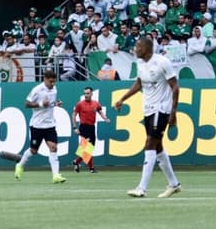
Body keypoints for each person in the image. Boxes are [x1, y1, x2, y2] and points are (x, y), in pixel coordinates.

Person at [113, 37, 182, 198]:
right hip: (148, 109)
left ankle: (141, 188)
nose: (136, 49)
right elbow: (138, 84)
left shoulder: (162, 62)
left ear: (148, 48)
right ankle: (174, 184)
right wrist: (122, 99)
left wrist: (173, 112)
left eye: (138, 46)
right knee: (158, 147)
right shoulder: (140, 64)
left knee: (150, 143)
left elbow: (175, 87)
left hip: (161, 109)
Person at [14, 70, 66, 183]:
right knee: (33, 150)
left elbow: (51, 103)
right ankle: (20, 165)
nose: (53, 84)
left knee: (53, 148)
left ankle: (56, 175)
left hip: (50, 125)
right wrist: (41, 104)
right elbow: (26, 104)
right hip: (37, 125)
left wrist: (56, 103)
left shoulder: (55, 89)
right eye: (51, 82)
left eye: (54, 82)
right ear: (45, 79)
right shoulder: (37, 90)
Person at [72, 86, 109, 173]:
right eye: (84, 93)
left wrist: (105, 118)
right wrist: (74, 127)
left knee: (89, 149)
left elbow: (100, 111)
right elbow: (74, 115)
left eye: (88, 93)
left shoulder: (95, 103)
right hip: (83, 127)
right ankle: (91, 168)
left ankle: (76, 162)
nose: (86, 95)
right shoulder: (80, 104)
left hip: (92, 127)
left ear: (92, 94)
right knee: (88, 147)